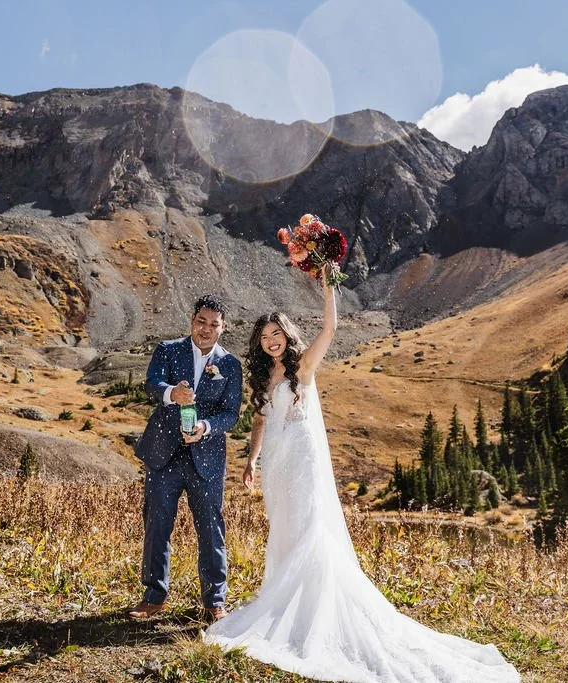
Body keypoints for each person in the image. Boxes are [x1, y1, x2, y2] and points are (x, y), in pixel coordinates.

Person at [204, 265, 520, 682]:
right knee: (284, 530)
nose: (270, 341)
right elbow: (261, 421)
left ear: (287, 334)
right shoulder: (265, 376)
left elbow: (331, 330)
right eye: (264, 338)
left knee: (307, 530)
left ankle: (310, 614)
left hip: (302, 458)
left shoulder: (303, 367)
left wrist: (328, 287)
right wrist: (252, 459)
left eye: (276, 334)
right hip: (277, 463)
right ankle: (284, 602)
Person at [127, 294, 244, 622]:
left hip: (205, 458)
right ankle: (153, 596)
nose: (206, 329)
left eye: (214, 324)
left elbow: (231, 414)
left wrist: (205, 426)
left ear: (224, 327)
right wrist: (170, 394)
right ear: (192, 320)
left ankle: (214, 601)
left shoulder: (231, 365)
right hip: (164, 454)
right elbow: (151, 386)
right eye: (201, 321)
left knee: (210, 527)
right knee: (157, 524)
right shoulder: (168, 349)